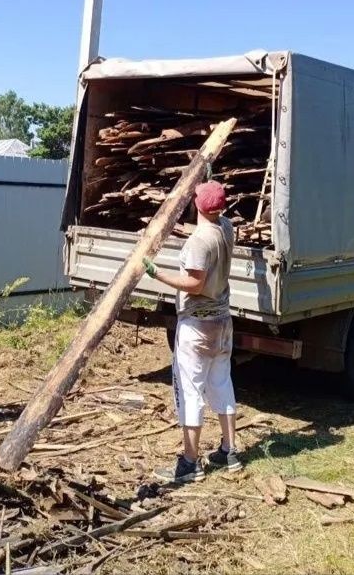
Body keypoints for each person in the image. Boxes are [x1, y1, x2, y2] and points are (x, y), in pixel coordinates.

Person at [143, 180, 241, 483]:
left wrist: (157, 274)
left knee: (190, 392)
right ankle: (229, 452)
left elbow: (195, 284)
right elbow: (214, 216)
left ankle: (189, 463)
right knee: (221, 383)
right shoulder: (226, 227)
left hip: (198, 325)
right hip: (223, 322)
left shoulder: (200, 240)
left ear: (196, 205)